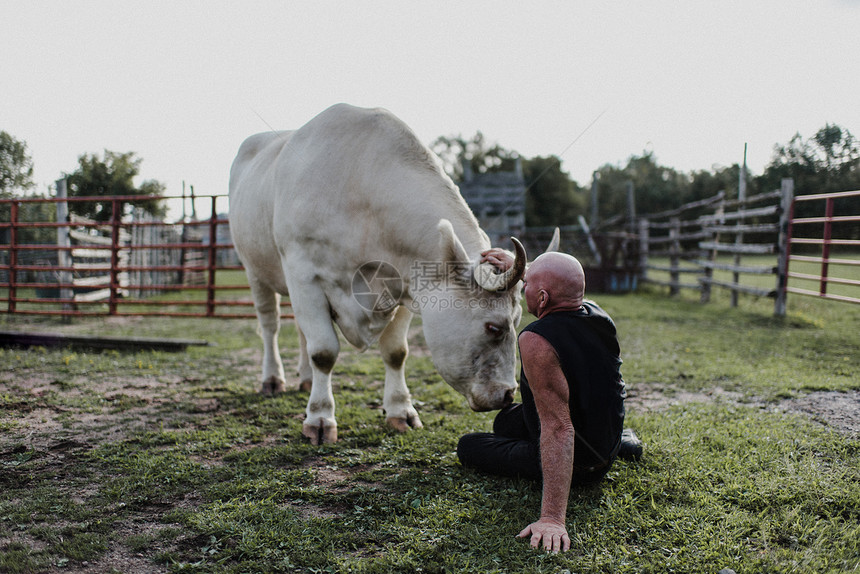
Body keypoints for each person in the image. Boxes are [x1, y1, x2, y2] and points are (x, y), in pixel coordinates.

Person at [457, 249, 641, 553]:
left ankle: (599, 459)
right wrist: (517, 266)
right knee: (504, 421)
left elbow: (558, 428)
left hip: (583, 464)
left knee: (469, 445)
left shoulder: (536, 340)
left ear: (542, 299)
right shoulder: (598, 314)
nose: (522, 286)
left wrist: (553, 518)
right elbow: (553, 283)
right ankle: (622, 442)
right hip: (603, 440)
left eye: (526, 284)